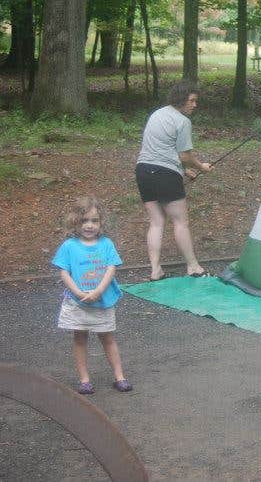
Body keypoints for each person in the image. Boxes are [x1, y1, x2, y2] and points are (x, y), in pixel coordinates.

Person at [53, 196, 132, 394]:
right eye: (84, 221)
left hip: (102, 300)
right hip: (77, 302)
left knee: (108, 338)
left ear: (101, 222)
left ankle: (119, 376)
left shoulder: (106, 244)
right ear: (75, 222)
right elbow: (64, 272)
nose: (89, 225)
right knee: (80, 338)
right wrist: (78, 292)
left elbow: (111, 269)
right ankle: (84, 379)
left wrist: (98, 291)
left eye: (94, 221)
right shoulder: (69, 246)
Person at [135, 80, 212, 280]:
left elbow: (164, 150)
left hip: (143, 171)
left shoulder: (158, 114)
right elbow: (184, 155)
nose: (195, 105)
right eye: (192, 100)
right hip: (165, 174)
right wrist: (201, 166)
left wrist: (184, 171)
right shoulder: (183, 121)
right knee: (181, 222)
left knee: (156, 222)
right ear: (181, 99)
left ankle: (155, 270)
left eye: (196, 101)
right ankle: (193, 266)